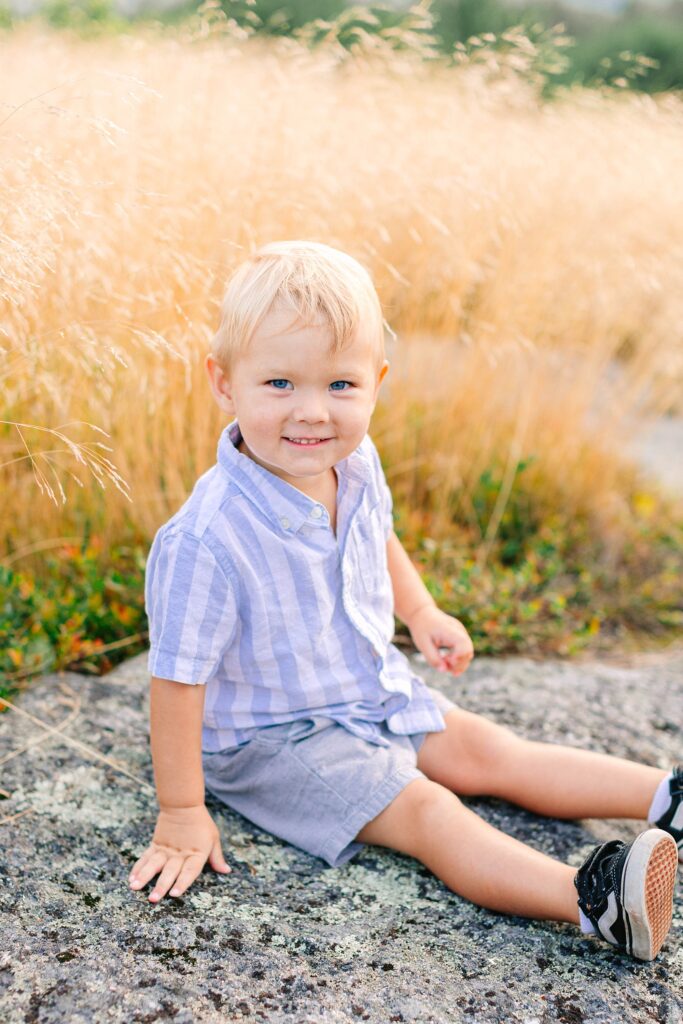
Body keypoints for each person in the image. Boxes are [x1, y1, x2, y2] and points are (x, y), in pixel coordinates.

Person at [131, 240, 681, 962]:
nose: (311, 413)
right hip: (275, 739)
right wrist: (181, 811)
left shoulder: (352, 464)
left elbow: (376, 540)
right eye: (278, 384)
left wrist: (419, 612)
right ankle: (595, 902)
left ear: (375, 381)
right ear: (223, 383)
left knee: (489, 750)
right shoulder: (206, 540)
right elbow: (177, 679)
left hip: (365, 687)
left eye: (339, 386)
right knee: (426, 809)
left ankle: (665, 798)